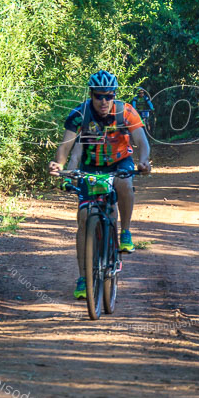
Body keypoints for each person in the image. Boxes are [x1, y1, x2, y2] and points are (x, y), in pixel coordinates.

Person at [48, 70, 152, 300]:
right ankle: (84, 277)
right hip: (90, 166)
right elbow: (67, 147)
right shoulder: (80, 113)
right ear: (91, 95)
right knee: (84, 219)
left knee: (124, 184)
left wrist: (143, 161)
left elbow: (142, 141)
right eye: (99, 96)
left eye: (108, 96)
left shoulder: (125, 111)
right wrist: (59, 166)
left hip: (119, 161)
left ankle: (125, 232)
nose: (104, 101)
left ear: (114, 95)